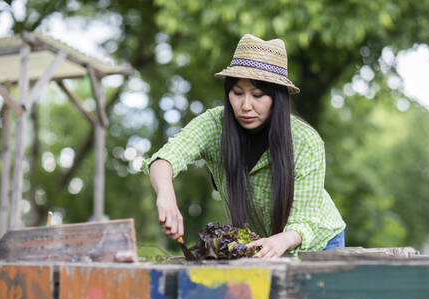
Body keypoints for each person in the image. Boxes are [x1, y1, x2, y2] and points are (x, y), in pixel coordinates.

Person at [142, 34, 346, 257]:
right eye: (237, 93)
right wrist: (165, 193)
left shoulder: (305, 141)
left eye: (258, 95)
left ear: (277, 98)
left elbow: (305, 221)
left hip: (318, 241)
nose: (245, 105)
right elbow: (165, 158)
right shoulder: (214, 125)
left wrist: (284, 240)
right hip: (260, 245)